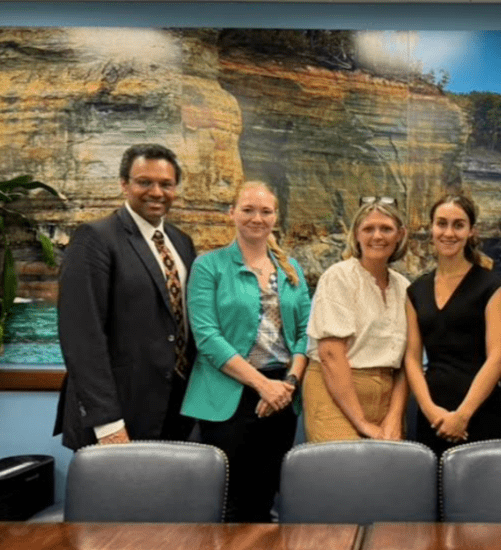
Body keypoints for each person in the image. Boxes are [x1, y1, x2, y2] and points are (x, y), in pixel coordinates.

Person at [180, 181, 310, 522]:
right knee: (229, 503)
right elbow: (207, 337)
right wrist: (261, 385)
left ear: (275, 217)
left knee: (264, 498)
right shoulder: (209, 266)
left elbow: (304, 336)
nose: (257, 218)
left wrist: (289, 383)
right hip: (229, 396)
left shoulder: (291, 270)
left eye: (265, 211)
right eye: (248, 209)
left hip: (282, 394)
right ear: (232, 213)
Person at [54, 143, 196, 450]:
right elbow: (82, 337)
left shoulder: (181, 242)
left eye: (166, 184)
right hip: (119, 414)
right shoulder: (95, 238)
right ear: (124, 184)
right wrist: (108, 424)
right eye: (144, 182)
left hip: (175, 410)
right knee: (116, 499)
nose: (156, 192)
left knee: (167, 497)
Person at [405, 194, 501, 456]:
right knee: (433, 494)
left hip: (480, 412)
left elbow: (497, 357)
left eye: (458, 225)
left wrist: (462, 415)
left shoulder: (491, 286)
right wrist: (432, 412)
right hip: (433, 414)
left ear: (471, 231)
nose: (448, 232)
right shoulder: (416, 290)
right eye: (441, 223)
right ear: (431, 228)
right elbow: (412, 359)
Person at [303, 197, 410, 442]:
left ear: (400, 235)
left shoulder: (404, 288)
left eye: (386, 229)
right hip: (335, 392)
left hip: (386, 394)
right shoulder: (338, 277)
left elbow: (408, 362)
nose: (377, 236)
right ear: (357, 235)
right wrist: (361, 422)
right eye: (368, 229)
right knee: (344, 471)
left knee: (383, 474)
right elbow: (331, 354)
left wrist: (395, 416)